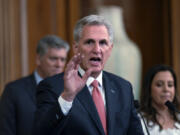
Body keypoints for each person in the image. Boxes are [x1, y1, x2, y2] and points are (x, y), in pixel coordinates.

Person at [33, 15, 144, 135]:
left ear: (110, 49)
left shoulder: (123, 87)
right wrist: (68, 96)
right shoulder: (52, 87)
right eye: (89, 42)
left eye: (102, 43)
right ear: (76, 47)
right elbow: (40, 132)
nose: (97, 49)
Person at [0, 35, 70, 135]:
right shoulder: (14, 91)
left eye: (63, 59)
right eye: (53, 58)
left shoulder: (70, 91)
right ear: (38, 59)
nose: (59, 65)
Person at [139, 64, 180, 135]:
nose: (166, 89)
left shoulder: (179, 117)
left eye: (170, 85)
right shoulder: (139, 120)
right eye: (159, 84)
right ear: (149, 89)